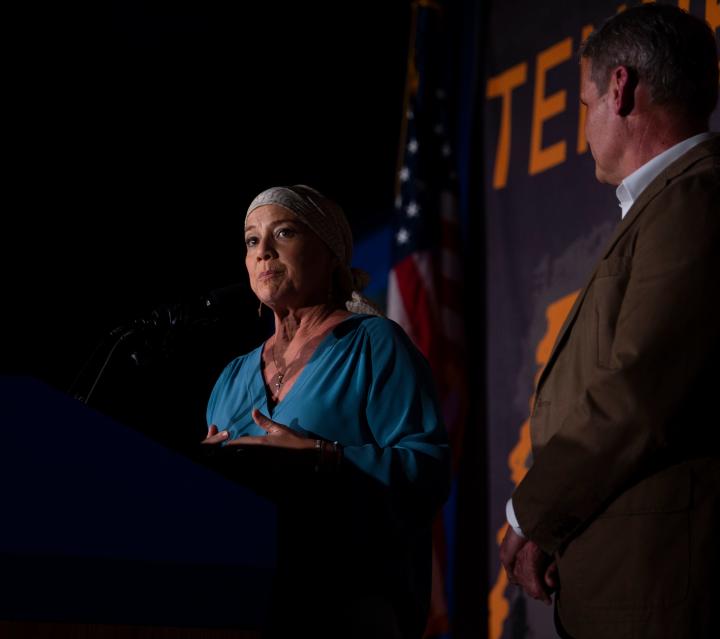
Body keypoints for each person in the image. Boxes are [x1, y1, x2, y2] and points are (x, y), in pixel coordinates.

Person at [499, 5, 719, 638]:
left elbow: (639, 391)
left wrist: (529, 515)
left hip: (657, 595)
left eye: (584, 101)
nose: (585, 125)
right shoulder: (667, 204)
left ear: (619, 89)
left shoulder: (696, 197)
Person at [202, 184, 449, 638]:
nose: (264, 252)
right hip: (247, 608)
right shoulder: (231, 378)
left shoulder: (374, 345)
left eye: (284, 233)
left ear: (329, 253)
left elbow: (428, 468)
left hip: (347, 606)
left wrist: (324, 456)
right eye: (252, 240)